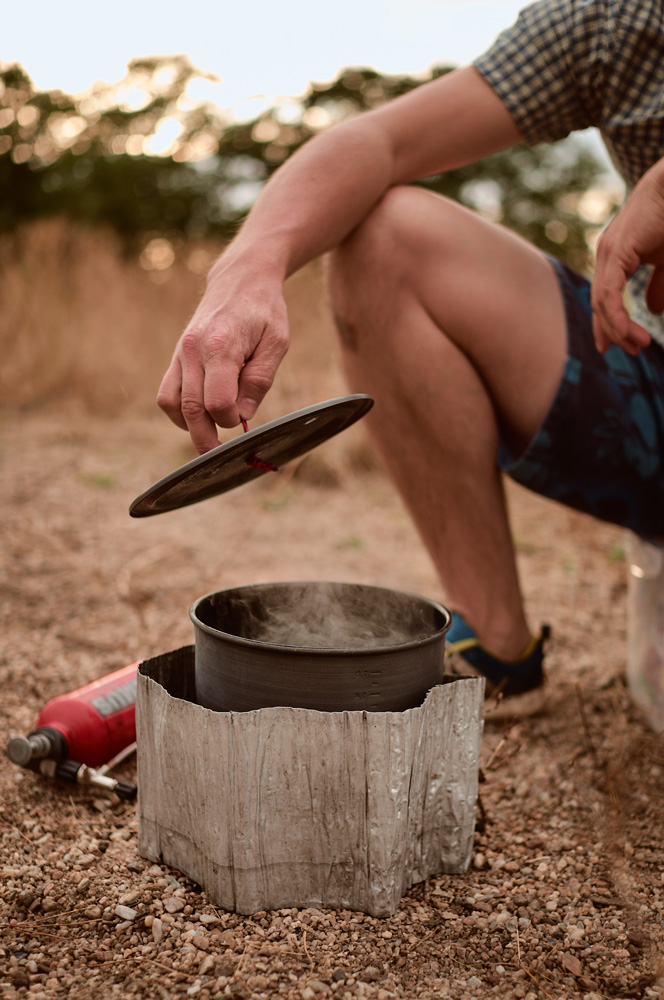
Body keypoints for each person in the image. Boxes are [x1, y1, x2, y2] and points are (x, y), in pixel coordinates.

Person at [157, 0, 664, 717]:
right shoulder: (617, 24)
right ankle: (498, 649)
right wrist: (250, 269)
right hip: (646, 375)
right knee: (384, 237)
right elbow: (379, 142)